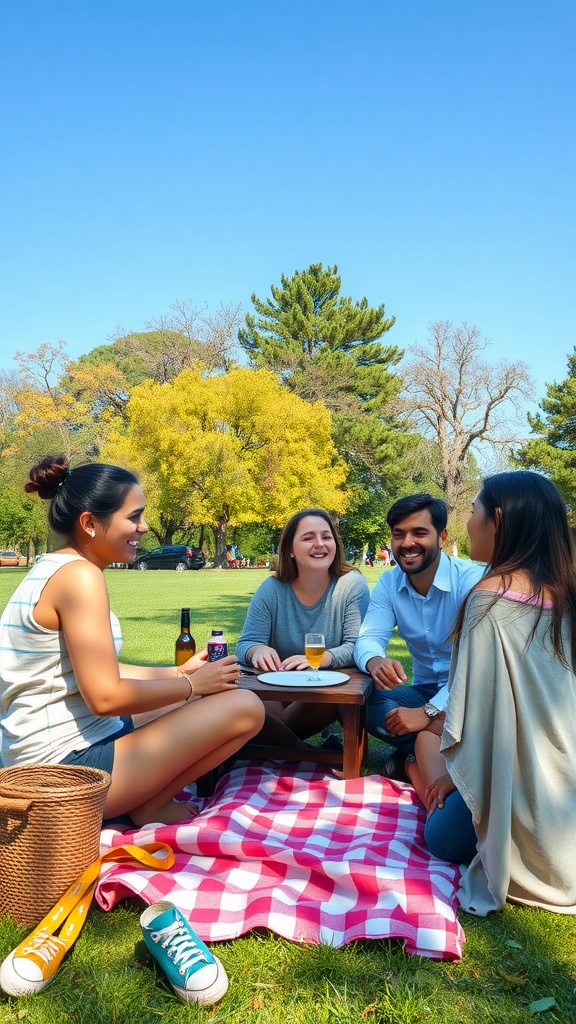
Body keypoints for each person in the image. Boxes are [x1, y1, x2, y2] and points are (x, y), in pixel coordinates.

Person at [0, 456, 265, 827]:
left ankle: (148, 801)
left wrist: (177, 672)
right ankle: (150, 805)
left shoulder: (53, 569)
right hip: (60, 776)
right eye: (134, 516)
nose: (144, 527)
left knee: (205, 698)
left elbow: (97, 669)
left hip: (49, 753)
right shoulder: (79, 578)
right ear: (90, 523)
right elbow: (105, 696)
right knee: (246, 707)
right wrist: (190, 686)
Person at [406, 471, 576, 916]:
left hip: (515, 782)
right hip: (565, 777)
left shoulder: (488, 599)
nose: (467, 520)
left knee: (440, 831)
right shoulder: (566, 595)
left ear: (497, 520)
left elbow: (470, 720)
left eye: (474, 510)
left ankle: (413, 771)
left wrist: (454, 773)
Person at [353, 493, 483, 773]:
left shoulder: (471, 582)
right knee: (359, 704)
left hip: (472, 694)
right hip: (424, 689)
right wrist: (375, 660)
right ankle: (439, 753)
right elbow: (368, 637)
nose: (407, 543)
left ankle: (417, 757)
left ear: (442, 537)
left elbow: (478, 667)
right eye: (398, 534)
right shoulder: (389, 582)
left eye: (419, 532)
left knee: (478, 719)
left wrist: (428, 713)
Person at [235, 508, 370, 738]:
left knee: (326, 696)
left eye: (326, 537)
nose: (320, 544)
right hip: (276, 690)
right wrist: (258, 650)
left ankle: (276, 746)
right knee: (250, 705)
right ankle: (299, 750)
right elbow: (246, 643)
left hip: (324, 693)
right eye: (308, 538)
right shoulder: (272, 588)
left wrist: (318, 659)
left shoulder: (352, 585)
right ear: (290, 549)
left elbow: (358, 647)